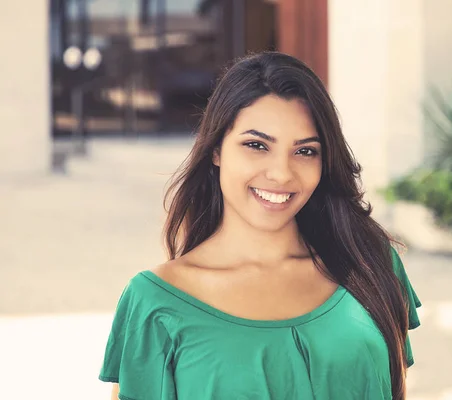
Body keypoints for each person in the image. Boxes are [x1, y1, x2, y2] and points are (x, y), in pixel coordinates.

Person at [98, 52, 421, 400]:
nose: (281, 173)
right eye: (256, 145)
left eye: (305, 151)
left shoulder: (370, 262)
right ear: (216, 150)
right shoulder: (156, 303)